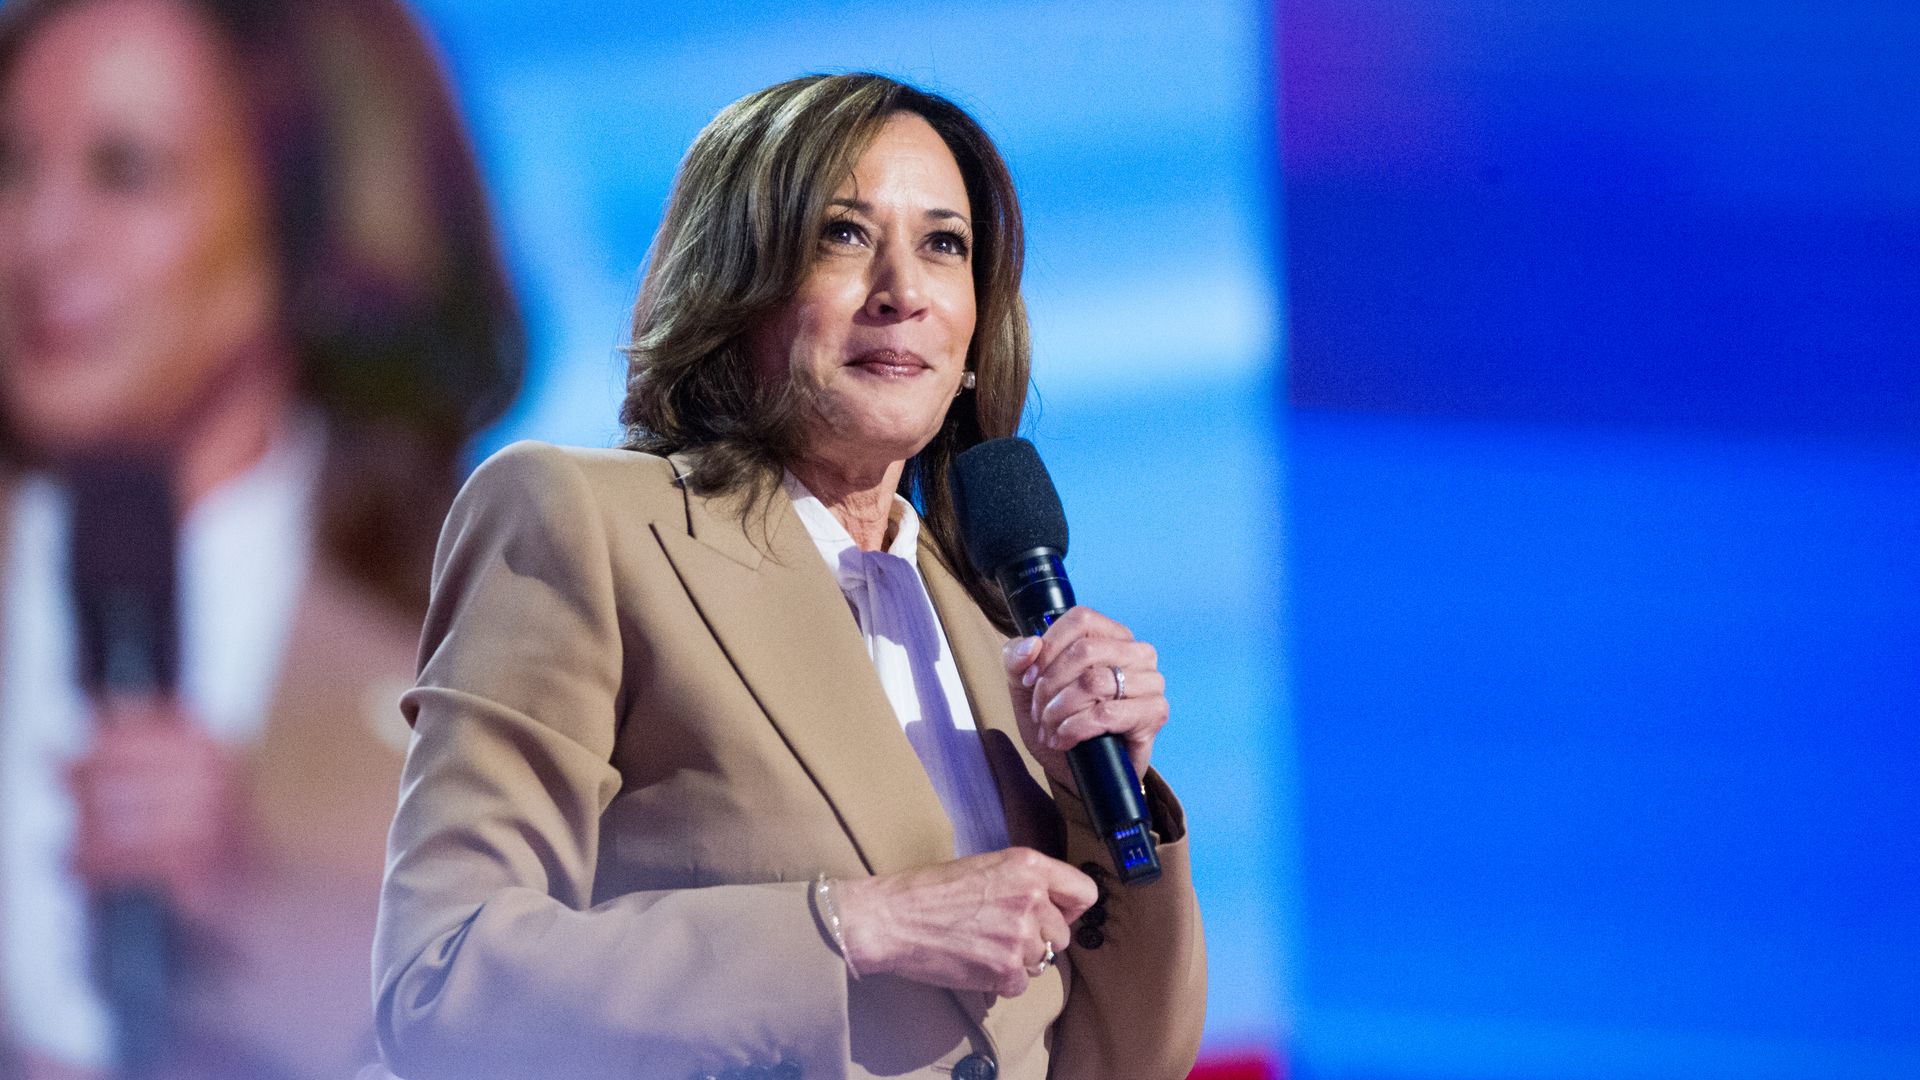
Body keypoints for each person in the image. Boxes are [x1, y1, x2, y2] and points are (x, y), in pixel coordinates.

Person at [372, 73, 1206, 1080]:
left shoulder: (998, 624)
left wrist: (1094, 795)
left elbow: (1128, 1062)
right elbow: (443, 981)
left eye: (945, 245)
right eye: (844, 236)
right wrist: (849, 927)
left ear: (977, 332)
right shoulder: (580, 521)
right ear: (736, 288)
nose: (903, 290)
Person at [0, 0, 522, 1076]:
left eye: (125, 171)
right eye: (10, 166)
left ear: (310, 218)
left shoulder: (498, 647)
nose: (40, 238)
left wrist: (259, 912)